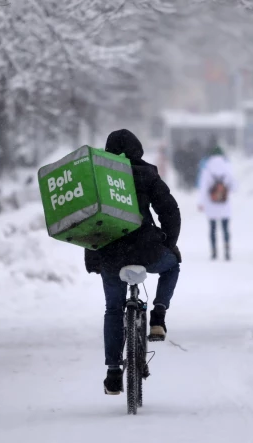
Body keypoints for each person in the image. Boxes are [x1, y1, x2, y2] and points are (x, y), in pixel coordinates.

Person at [84, 129, 182, 395]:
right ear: (138, 149)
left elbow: (89, 223)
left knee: (113, 310)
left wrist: (93, 257)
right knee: (172, 265)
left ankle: (113, 373)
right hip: (147, 251)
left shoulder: (98, 179)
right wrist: (169, 244)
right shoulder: (147, 174)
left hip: (111, 254)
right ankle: (158, 317)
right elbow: (170, 211)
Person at [197, 145, 235, 261]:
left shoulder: (207, 168)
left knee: (212, 228)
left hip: (211, 203)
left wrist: (201, 202)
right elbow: (234, 186)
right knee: (225, 228)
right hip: (224, 203)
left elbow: (203, 187)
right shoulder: (228, 167)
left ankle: (214, 251)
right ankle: (227, 250)